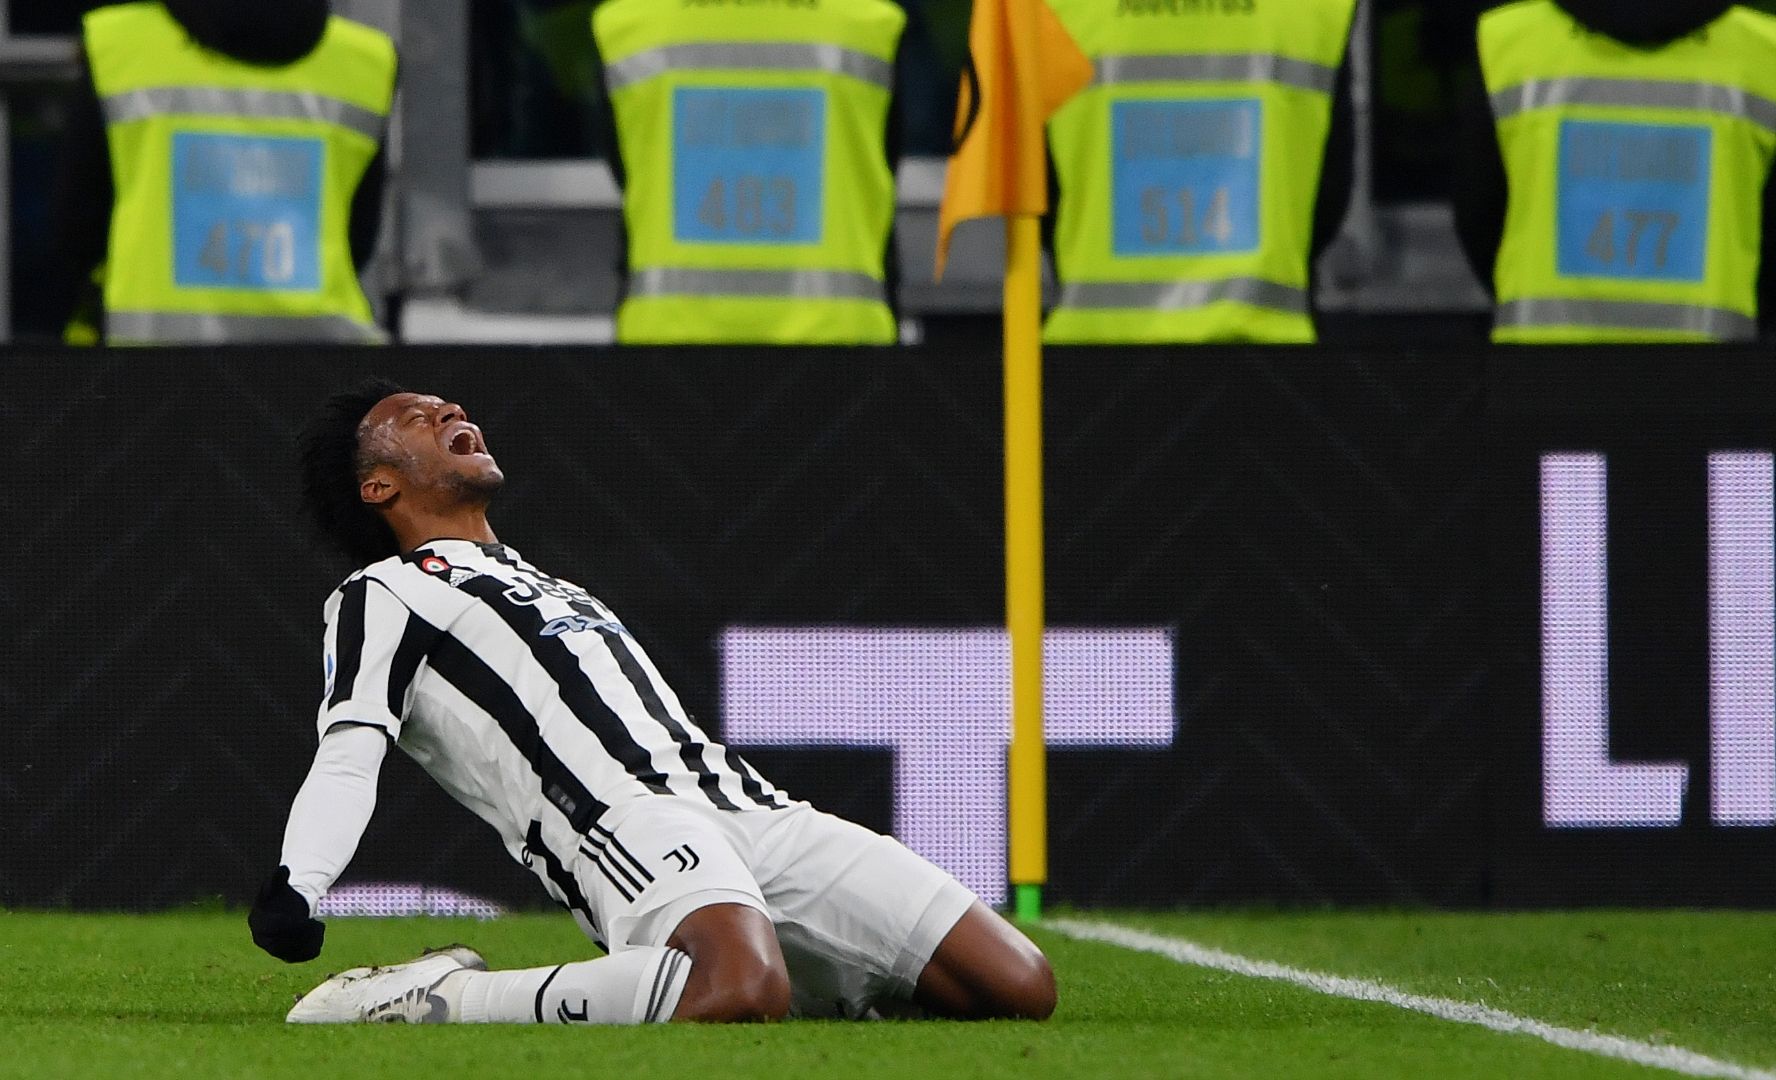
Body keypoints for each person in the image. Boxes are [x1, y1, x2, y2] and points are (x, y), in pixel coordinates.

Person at [247, 379, 1056, 1025]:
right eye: (416, 416)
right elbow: (351, 748)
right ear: (377, 484)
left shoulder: (545, 580)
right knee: (736, 990)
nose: (450, 410)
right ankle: (440, 1000)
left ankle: (787, 977)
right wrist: (300, 883)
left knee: (1019, 987)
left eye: (447, 404)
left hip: (750, 805)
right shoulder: (382, 591)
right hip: (621, 820)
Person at [1452, 0, 1776, 343]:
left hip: (1543, 380)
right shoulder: (1765, 52)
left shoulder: (1509, 42)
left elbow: (1478, 213)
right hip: (1707, 382)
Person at [52, 0, 394, 345]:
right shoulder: (364, 61)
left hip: (151, 364)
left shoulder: (120, 45)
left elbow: (77, 225)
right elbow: (360, 238)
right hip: (322, 363)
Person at [1038, 0, 1358, 344]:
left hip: (1092, 360)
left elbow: (1034, 191)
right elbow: (1328, 190)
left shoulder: (1058, 7)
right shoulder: (1314, 9)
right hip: (1264, 360)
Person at [591, 0, 905, 344]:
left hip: (669, 341)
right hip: (837, 342)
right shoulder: (871, 24)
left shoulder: (626, 25)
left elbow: (628, 171)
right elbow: (883, 167)